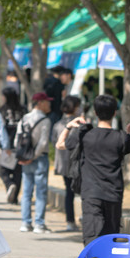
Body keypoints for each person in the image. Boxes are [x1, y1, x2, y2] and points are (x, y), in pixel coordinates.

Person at [58, 94, 130, 258]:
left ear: (95, 113)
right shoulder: (122, 138)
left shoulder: (85, 134)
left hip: (91, 194)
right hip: (114, 195)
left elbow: (60, 145)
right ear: (115, 112)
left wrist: (68, 127)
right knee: (111, 237)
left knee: (92, 236)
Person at [18, 92, 53, 233]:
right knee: (40, 192)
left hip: (25, 159)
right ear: (40, 103)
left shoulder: (24, 118)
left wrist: (23, 156)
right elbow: (43, 141)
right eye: (47, 102)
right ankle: (39, 223)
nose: (49, 104)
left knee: (26, 191)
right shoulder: (45, 120)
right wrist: (34, 156)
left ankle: (25, 223)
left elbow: (17, 139)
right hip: (40, 158)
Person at [52, 95, 81, 232]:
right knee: (80, 191)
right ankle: (80, 218)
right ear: (75, 107)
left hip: (62, 163)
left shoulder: (58, 124)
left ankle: (70, 221)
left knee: (69, 191)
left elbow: (53, 142)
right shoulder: (78, 125)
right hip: (76, 163)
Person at [0, 87, 26, 204]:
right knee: (17, 171)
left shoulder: (3, 110)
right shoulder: (23, 109)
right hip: (20, 144)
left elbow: (0, 129)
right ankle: (14, 199)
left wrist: (3, 145)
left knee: (2, 170)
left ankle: (10, 185)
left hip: (7, 144)